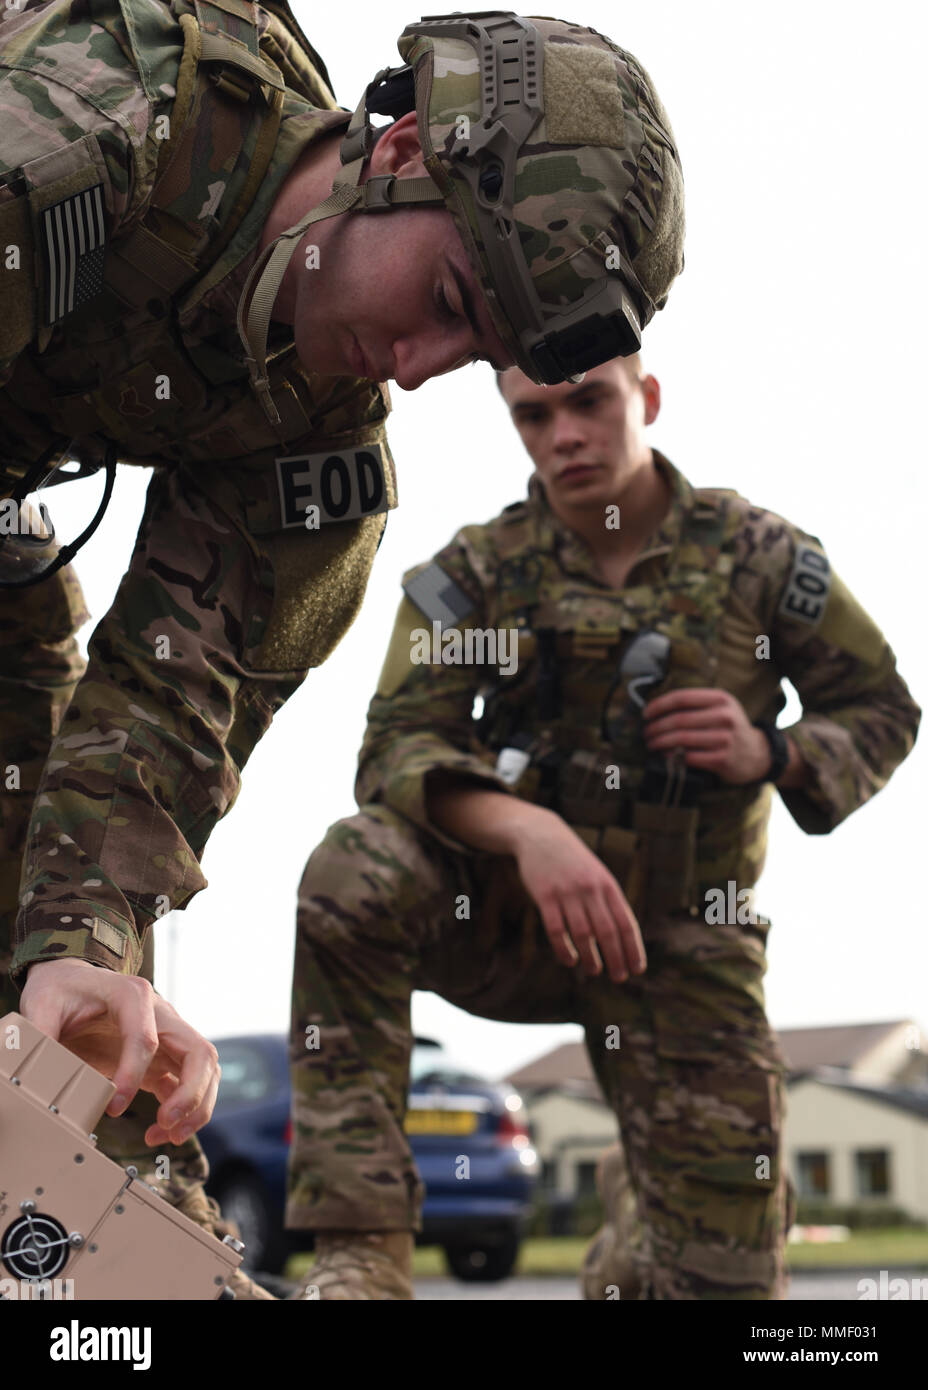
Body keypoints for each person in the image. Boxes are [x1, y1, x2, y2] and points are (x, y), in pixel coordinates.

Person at [0, 2, 684, 1294]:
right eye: (443, 298)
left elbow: (150, 740)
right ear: (404, 147)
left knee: (60, 980)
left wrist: (80, 949)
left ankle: (116, 1281)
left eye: (469, 351)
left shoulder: (319, 468)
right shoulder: (101, 125)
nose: (421, 368)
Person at [285, 352, 920, 1299]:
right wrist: (530, 835)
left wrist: (771, 752)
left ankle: (645, 1220)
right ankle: (362, 1252)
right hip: (509, 921)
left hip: (680, 941)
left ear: (647, 397)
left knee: (725, 1288)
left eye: (589, 404)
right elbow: (395, 751)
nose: (564, 437)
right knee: (353, 867)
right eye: (533, 417)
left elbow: (883, 708)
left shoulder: (765, 558)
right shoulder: (471, 577)